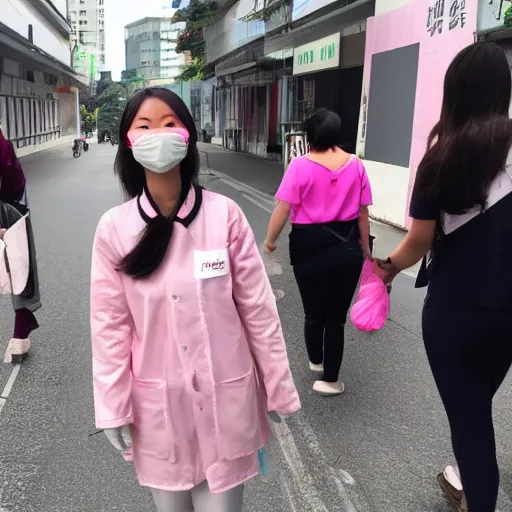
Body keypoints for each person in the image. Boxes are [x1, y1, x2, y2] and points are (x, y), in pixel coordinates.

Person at [90, 87, 300, 512]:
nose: (159, 134)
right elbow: (110, 328)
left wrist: (277, 387)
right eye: (144, 126)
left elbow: (258, 311)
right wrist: (113, 406)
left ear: (187, 134)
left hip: (228, 403)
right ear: (129, 142)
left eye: (170, 123)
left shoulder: (224, 216)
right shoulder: (115, 229)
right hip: (159, 411)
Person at [375, 42, 512, 512]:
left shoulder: (441, 157)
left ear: (454, 94)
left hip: (454, 316)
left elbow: (417, 242)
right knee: (474, 413)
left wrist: (386, 269)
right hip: (507, 316)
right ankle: (463, 476)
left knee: (471, 422)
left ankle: (473, 488)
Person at [265, 109, 373, 396]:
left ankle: (316, 360)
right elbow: (363, 213)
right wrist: (366, 248)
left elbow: (283, 208)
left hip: (307, 244)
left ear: (309, 135)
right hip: (347, 244)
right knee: (336, 317)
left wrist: (270, 241)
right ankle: (331, 379)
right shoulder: (356, 165)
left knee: (313, 312)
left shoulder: (300, 165)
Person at [0, 126, 40, 363]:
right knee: (18, 261)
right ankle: (22, 326)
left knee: (18, 262)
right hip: (12, 198)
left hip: (11, 200)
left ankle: (22, 326)